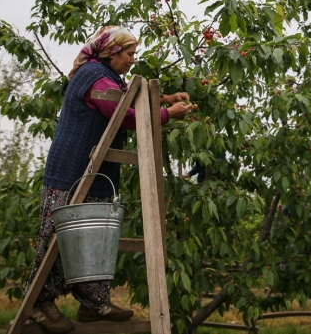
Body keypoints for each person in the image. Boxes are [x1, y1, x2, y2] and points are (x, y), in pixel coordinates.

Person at [26, 26, 192, 334]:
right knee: (59, 240)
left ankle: (93, 303)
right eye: (129, 54)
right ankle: (39, 303)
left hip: (92, 171)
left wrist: (163, 96)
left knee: (94, 237)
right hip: (71, 172)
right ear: (112, 52)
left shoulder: (105, 75)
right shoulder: (95, 78)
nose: (132, 60)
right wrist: (168, 113)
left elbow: (129, 94)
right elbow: (126, 115)